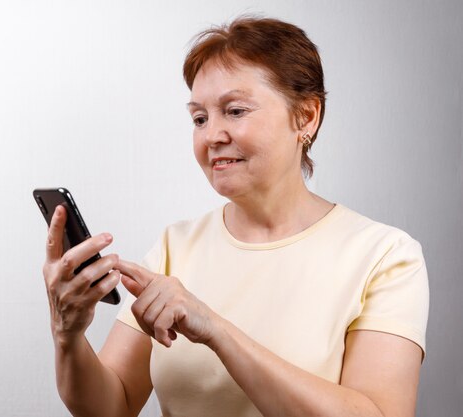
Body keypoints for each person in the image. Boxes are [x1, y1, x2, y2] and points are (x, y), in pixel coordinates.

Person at [42, 16, 429, 417]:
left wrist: (214, 329)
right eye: (199, 118)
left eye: (235, 110)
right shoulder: (177, 246)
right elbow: (112, 406)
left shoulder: (384, 256)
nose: (211, 136)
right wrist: (68, 337)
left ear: (306, 117)